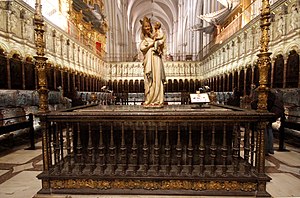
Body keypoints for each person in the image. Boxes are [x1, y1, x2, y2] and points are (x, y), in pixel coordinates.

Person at [140, 16, 166, 107]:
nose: (147, 28)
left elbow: (161, 46)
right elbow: (142, 48)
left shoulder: (156, 37)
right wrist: (152, 44)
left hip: (156, 59)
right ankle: (150, 99)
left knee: (157, 78)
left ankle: (158, 100)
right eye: (145, 26)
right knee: (149, 80)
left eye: (148, 26)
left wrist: (159, 46)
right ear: (143, 28)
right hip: (149, 61)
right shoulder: (145, 40)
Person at [251, 89, 285, 155]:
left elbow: (262, 105)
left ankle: (265, 149)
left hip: (268, 115)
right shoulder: (272, 96)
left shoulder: (267, 97)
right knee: (269, 130)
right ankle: (270, 149)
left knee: (264, 131)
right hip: (272, 115)